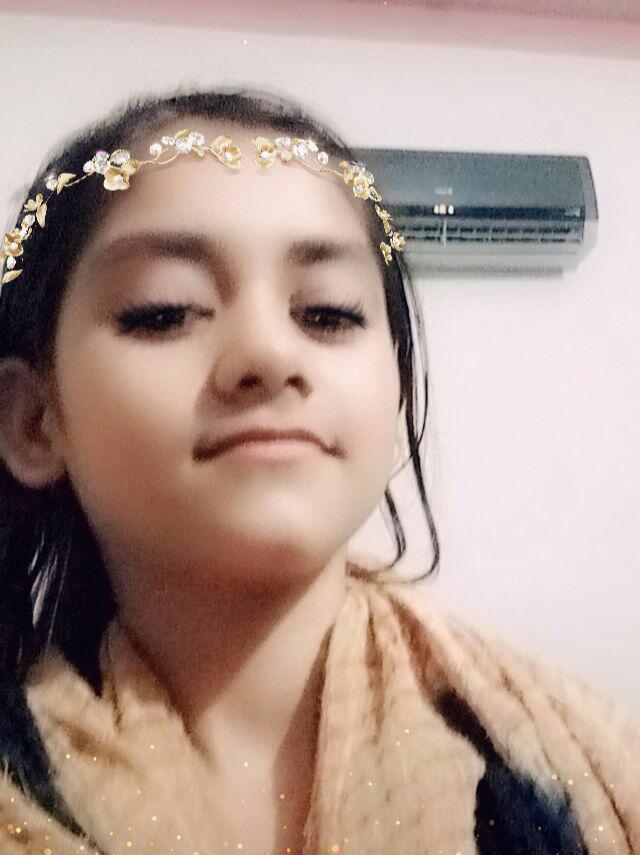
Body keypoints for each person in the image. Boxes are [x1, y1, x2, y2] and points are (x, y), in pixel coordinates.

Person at [0, 87, 637, 855]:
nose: (270, 355)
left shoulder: (592, 753)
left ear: (394, 399)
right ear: (32, 420)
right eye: (164, 310)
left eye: (328, 313)